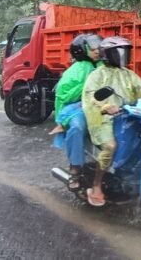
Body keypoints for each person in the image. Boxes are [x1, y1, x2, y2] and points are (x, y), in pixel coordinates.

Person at [81, 36, 141, 207]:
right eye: (119, 52)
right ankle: (96, 185)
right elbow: (91, 98)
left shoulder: (128, 74)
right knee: (110, 146)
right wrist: (106, 106)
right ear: (107, 54)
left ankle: (136, 173)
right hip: (102, 119)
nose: (123, 55)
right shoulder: (97, 75)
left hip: (127, 115)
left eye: (125, 52)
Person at [49, 33, 102, 191]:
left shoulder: (103, 65)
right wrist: (61, 120)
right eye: (93, 47)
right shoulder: (76, 70)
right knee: (77, 127)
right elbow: (62, 96)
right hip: (76, 107)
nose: (97, 50)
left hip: (100, 104)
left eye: (98, 46)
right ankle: (75, 168)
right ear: (83, 50)